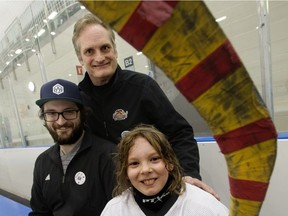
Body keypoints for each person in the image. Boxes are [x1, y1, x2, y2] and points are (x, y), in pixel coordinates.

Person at [72, 13, 219, 199]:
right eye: (89, 51)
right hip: (108, 196)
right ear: (80, 58)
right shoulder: (78, 101)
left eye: (105, 48)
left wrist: (188, 174)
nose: (99, 57)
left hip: (152, 192)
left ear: (115, 50)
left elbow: (179, 134)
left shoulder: (142, 87)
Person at [29, 79, 115, 216]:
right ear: (44, 117)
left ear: (82, 114)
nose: (60, 121)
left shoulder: (108, 156)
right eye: (51, 113)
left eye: (68, 112)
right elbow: (39, 212)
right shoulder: (42, 162)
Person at [101, 124, 229, 216]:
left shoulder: (204, 206)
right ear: (125, 172)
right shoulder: (115, 210)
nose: (145, 170)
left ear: (169, 162)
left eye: (154, 159)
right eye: (134, 163)